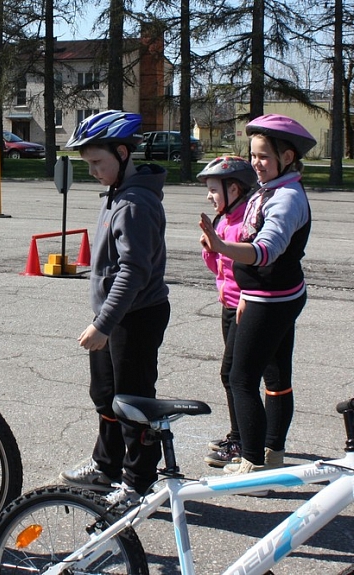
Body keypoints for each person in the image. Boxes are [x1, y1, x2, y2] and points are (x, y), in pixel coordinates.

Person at [58, 110, 170, 509]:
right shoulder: (119, 194)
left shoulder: (134, 202)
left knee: (133, 402)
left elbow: (134, 271)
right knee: (105, 394)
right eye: (86, 164)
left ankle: (139, 485)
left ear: (123, 153)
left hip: (134, 317)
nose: (91, 171)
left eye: (97, 163)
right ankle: (107, 466)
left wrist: (103, 324)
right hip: (115, 316)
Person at [199, 114, 315, 477]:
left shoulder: (287, 198)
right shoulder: (268, 192)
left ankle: (253, 464)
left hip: (272, 298)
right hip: (271, 294)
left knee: (240, 378)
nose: (256, 164)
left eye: (263, 157)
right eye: (253, 156)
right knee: (276, 378)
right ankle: (273, 452)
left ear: (287, 157)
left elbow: (265, 250)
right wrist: (243, 283)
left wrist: (222, 245)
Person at [197, 156, 268, 467]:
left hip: (245, 306)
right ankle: (238, 434)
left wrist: (219, 247)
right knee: (233, 376)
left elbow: (248, 267)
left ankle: (243, 440)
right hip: (227, 304)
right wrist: (210, 249)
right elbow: (219, 269)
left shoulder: (245, 224)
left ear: (235, 188)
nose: (209, 196)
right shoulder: (224, 219)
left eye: (214, 190)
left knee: (235, 376)